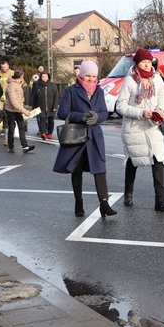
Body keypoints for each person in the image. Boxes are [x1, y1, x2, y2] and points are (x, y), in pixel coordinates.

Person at [54, 60, 116, 218]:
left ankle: (104, 204)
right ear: (81, 75)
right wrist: (80, 117)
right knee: (77, 170)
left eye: (93, 76)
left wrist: (97, 117)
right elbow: (62, 112)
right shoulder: (71, 91)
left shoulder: (99, 91)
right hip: (77, 136)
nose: (90, 79)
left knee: (100, 169)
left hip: (94, 136)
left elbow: (104, 112)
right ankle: (78, 202)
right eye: (88, 75)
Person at [116, 48, 164, 212]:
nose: (147, 65)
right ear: (137, 63)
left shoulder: (157, 79)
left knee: (158, 160)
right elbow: (120, 106)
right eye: (143, 62)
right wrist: (140, 112)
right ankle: (128, 193)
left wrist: (161, 110)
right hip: (134, 128)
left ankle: (160, 200)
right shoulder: (130, 81)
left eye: (149, 62)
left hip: (153, 126)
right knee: (133, 161)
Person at [3, 70, 35, 154]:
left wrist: (22, 109)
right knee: (11, 128)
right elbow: (13, 101)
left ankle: (25, 146)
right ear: (21, 76)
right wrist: (24, 111)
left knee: (21, 127)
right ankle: (10, 146)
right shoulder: (11, 86)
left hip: (18, 109)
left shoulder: (18, 83)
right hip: (11, 110)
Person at [30, 71, 60, 140]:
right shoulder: (37, 85)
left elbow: (56, 96)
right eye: (43, 77)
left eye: (45, 76)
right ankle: (43, 132)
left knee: (51, 120)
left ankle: (49, 133)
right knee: (42, 119)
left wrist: (55, 106)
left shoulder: (52, 85)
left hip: (51, 106)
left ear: (48, 77)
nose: (44, 78)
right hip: (41, 106)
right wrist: (33, 106)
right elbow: (34, 97)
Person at [0, 59, 14, 145]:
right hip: (0, 99)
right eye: (2, 67)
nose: (3, 68)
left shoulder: (12, 73)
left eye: (5, 67)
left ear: (8, 66)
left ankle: (7, 134)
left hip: (9, 98)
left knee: (8, 116)